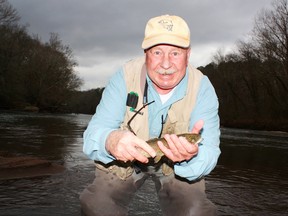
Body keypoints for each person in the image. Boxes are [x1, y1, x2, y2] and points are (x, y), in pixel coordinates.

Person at [80, 14, 221, 216]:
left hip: (173, 169)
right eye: (157, 52)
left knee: (197, 212)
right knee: (95, 205)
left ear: (188, 54)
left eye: (175, 53)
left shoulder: (203, 88)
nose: (165, 64)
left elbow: (210, 152)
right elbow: (94, 133)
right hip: (125, 164)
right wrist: (110, 140)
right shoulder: (124, 77)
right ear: (146, 53)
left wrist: (191, 158)